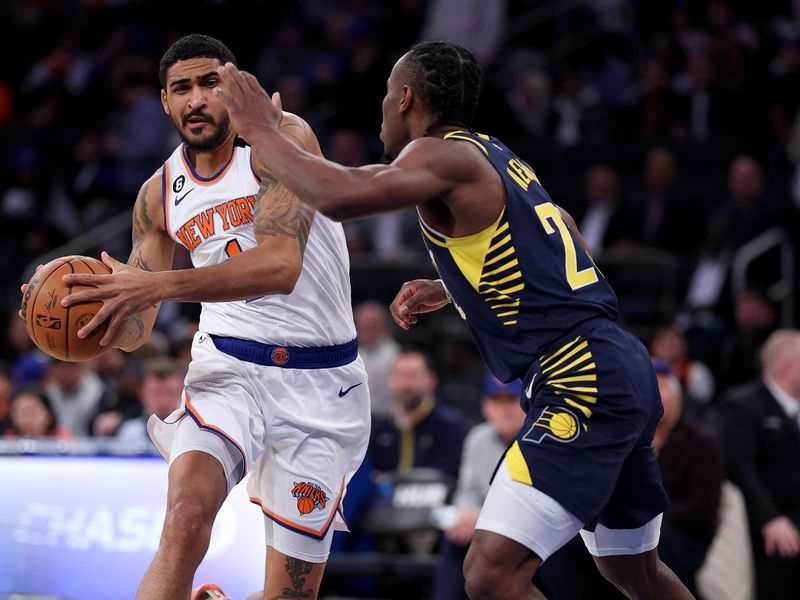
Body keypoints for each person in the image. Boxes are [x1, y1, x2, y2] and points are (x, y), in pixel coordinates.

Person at [208, 40, 691, 599]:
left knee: (488, 573)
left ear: (407, 97)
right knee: (636, 573)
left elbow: (342, 194)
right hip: (617, 364)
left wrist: (261, 130)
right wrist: (463, 287)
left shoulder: (439, 154)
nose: (383, 109)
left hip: (580, 375)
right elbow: (564, 232)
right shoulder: (497, 154)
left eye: (387, 95)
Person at [40, 34, 370, 600]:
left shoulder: (281, 139)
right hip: (227, 369)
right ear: (164, 102)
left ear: (236, 86)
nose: (196, 99)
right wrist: (86, 309)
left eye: (209, 83)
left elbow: (279, 265)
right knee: (184, 521)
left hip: (322, 383)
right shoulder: (156, 196)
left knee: (290, 595)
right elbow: (136, 329)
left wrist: (153, 286)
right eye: (181, 89)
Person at [718, 329, 800, 600]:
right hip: (762, 519)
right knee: (782, 550)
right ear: (790, 366)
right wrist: (770, 519)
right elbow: (740, 470)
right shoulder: (742, 405)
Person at [433, 374, 525, 600]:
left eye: (512, 401)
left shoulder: (538, 440)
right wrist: (466, 514)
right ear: (486, 407)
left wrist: (482, 519)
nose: (505, 409)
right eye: (497, 401)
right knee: (455, 537)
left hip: (528, 529)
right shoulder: (478, 438)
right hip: (485, 528)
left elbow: (530, 502)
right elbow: (468, 492)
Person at [652, 360, 723, 594]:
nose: (653, 396)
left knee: (646, 544)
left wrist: (649, 516)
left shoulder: (701, 443)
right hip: (639, 527)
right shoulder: (630, 440)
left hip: (684, 536)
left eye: (660, 388)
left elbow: (702, 508)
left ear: (678, 396)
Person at [368, 350, 468, 478]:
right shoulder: (377, 426)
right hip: (385, 498)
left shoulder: (451, 426)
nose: (406, 384)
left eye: (413, 375)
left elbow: (449, 477)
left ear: (431, 380)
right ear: (389, 381)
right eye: (399, 375)